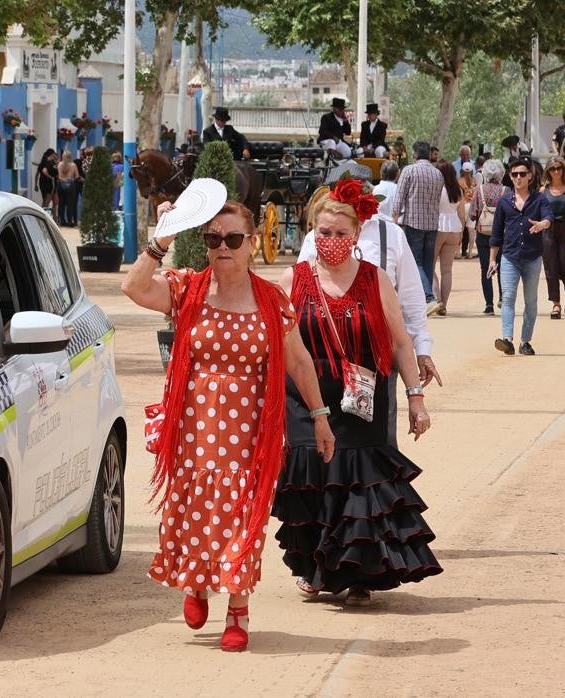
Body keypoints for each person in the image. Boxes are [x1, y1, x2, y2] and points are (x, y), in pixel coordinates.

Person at [124, 192, 334, 653]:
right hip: (193, 430)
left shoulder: (272, 301)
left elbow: (298, 362)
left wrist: (320, 417)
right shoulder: (187, 289)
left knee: (244, 518)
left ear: (252, 242)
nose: (223, 246)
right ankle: (196, 585)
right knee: (195, 515)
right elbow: (135, 289)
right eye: (213, 237)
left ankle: (237, 611)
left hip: (251, 435)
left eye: (233, 237)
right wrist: (161, 240)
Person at [274, 180, 442, 607]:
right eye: (323, 233)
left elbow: (401, 342)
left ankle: (358, 571)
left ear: (356, 235)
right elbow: (272, 342)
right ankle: (315, 568)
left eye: (340, 234)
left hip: (361, 398)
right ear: (313, 233)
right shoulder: (292, 279)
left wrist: (416, 396)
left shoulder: (374, 279)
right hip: (307, 400)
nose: (331, 241)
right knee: (313, 478)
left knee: (357, 482)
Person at [298, 178, 442, 449]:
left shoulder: (391, 235)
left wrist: (422, 350)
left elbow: (410, 300)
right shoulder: (315, 237)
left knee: (377, 450)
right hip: (318, 368)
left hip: (371, 366)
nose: (332, 240)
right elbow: (300, 294)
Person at [491, 157, 552, 356]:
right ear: (510, 177)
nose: (518, 177)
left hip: (533, 257)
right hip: (509, 257)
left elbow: (548, 217)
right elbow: (496, 233)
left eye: (522, 174)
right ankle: (507, 339)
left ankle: (525, 341)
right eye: (515, 174)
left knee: (531, 301)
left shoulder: (539, 199)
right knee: (507, 297)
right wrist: (493, 259)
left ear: (530, 177)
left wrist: (543, 224)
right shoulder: (504, 202)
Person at [391, 141, 445, 310]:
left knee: (416, 262)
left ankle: (428, 298)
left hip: (414, 222)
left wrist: (395, 218)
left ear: (415, 154)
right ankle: (427, 299)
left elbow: (398, 198)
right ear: (429, 154)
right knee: (428, 263)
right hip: (432, 223)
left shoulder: (409, 170)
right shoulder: (438, 174)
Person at [540, 156, 565, 319]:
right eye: (552, 168)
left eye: (559, 168)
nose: (556, 171)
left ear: (563, 169)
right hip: (548, 230)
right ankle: (555, 303)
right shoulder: (543, 191)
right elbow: (539, 212)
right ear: (548, 171)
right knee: (551, 268)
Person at [471, 159, 507, 314]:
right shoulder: (506, 190)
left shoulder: (479, 190)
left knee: (485, 268)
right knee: (502, 267)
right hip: (502, 235)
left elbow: (473, 214)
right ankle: (503, 299)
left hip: (483, 233)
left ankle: (489, 304)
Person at [433, 162, 466, 315]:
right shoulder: (458, 190)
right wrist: (461, 235)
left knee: (429, 267)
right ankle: (444, 304)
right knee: (447, 270)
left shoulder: (437, 189)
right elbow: (462, 215)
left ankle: (437, 300)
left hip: (438, 226)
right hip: (454, 228)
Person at [57, 151, 80, 226]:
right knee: (70, 204)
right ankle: (70, 221)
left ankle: (62, 221)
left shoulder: (59, 164)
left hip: (61, 185)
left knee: (61, 204)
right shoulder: (73, 165)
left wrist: (63, 179)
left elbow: (58, 176)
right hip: (70, 186)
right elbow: (77, 176)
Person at [458, 162, 477, 258]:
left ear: (462, 170)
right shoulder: (474, 181)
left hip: (462, 205)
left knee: (460, 230)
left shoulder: (459, 181)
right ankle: (469, 253)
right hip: (472, 206)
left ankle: (457, 252)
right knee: (471, 232)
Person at [36, 148, 58, 216]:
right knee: (47, 201)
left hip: (43, 182)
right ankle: (43, 216)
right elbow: (44, 171)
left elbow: (37, 174)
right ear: (51, 154)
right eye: (54, 154)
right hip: (49, 183)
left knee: (50, 200)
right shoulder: (48, 163)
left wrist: (35, 184)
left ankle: (54, 217)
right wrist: (50, 177)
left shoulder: (43, 162)